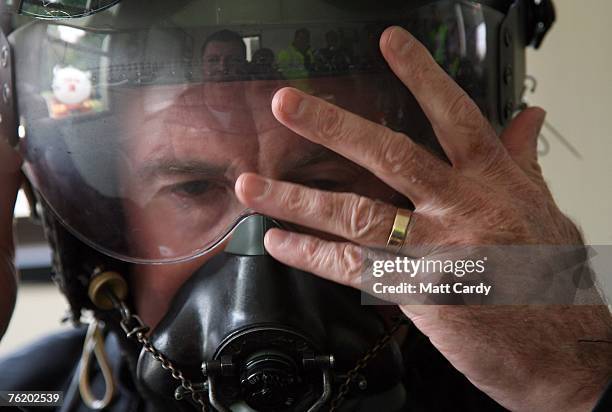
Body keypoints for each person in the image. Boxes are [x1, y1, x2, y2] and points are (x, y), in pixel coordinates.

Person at [1, 1, 611, 411]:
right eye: (193, 190)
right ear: (98, 227)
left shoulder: (538, 386)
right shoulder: (25, 395)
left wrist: (575, 380)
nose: (258, 264)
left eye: (322, 185)